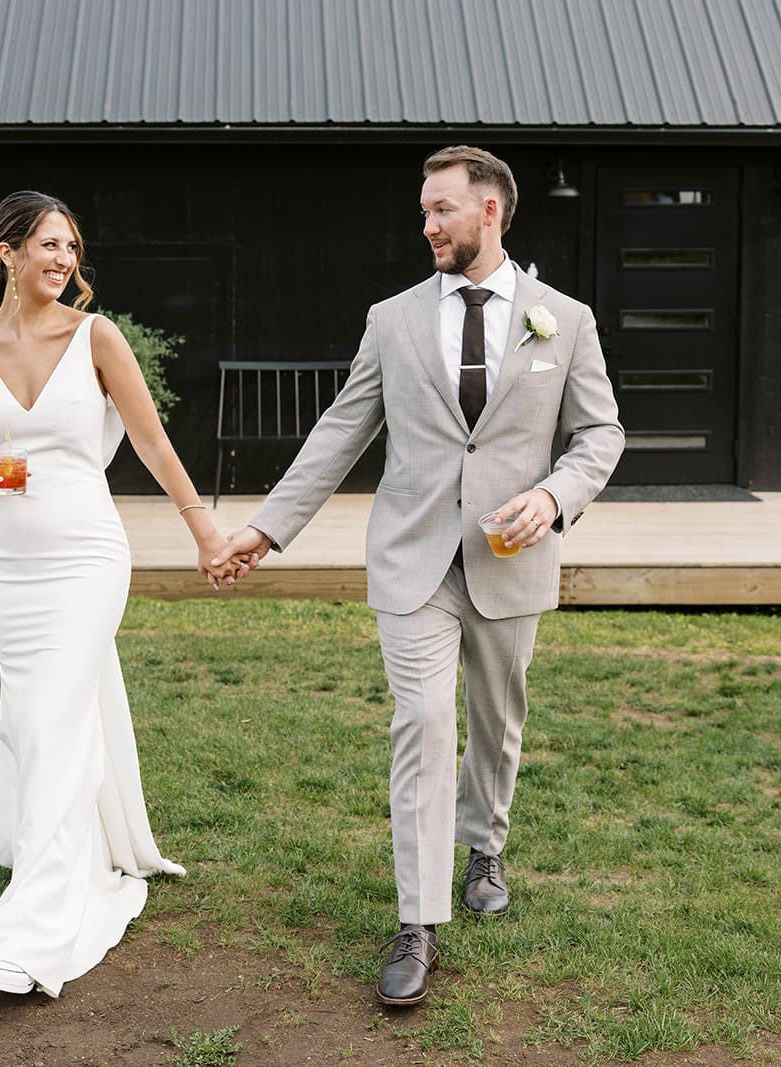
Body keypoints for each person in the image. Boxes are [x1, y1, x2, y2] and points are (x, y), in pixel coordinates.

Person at [211, 146, 624, 1006]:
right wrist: (266, 526)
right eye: (425, 212)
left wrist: (553, 498)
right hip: (413, 560)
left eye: (441, 210)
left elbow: (600, 436)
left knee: (495, 720)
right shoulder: (391, 319)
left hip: (512, 558)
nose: (427, 226)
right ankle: (417, 921)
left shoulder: (565, 319)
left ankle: (487, 845)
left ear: (489, 213)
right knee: (426, 725)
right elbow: (341, 428)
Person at [0, 190, 242, 998]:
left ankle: (30, 930)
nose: (64, 260)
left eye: (71, 247)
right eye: (48, 244)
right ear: (6, 252)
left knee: (54, 716)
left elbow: (149, 438)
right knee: (34, 715)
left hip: (86, 555)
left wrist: (204, 531)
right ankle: (62, 848)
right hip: (5, 561)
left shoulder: (96, 336)